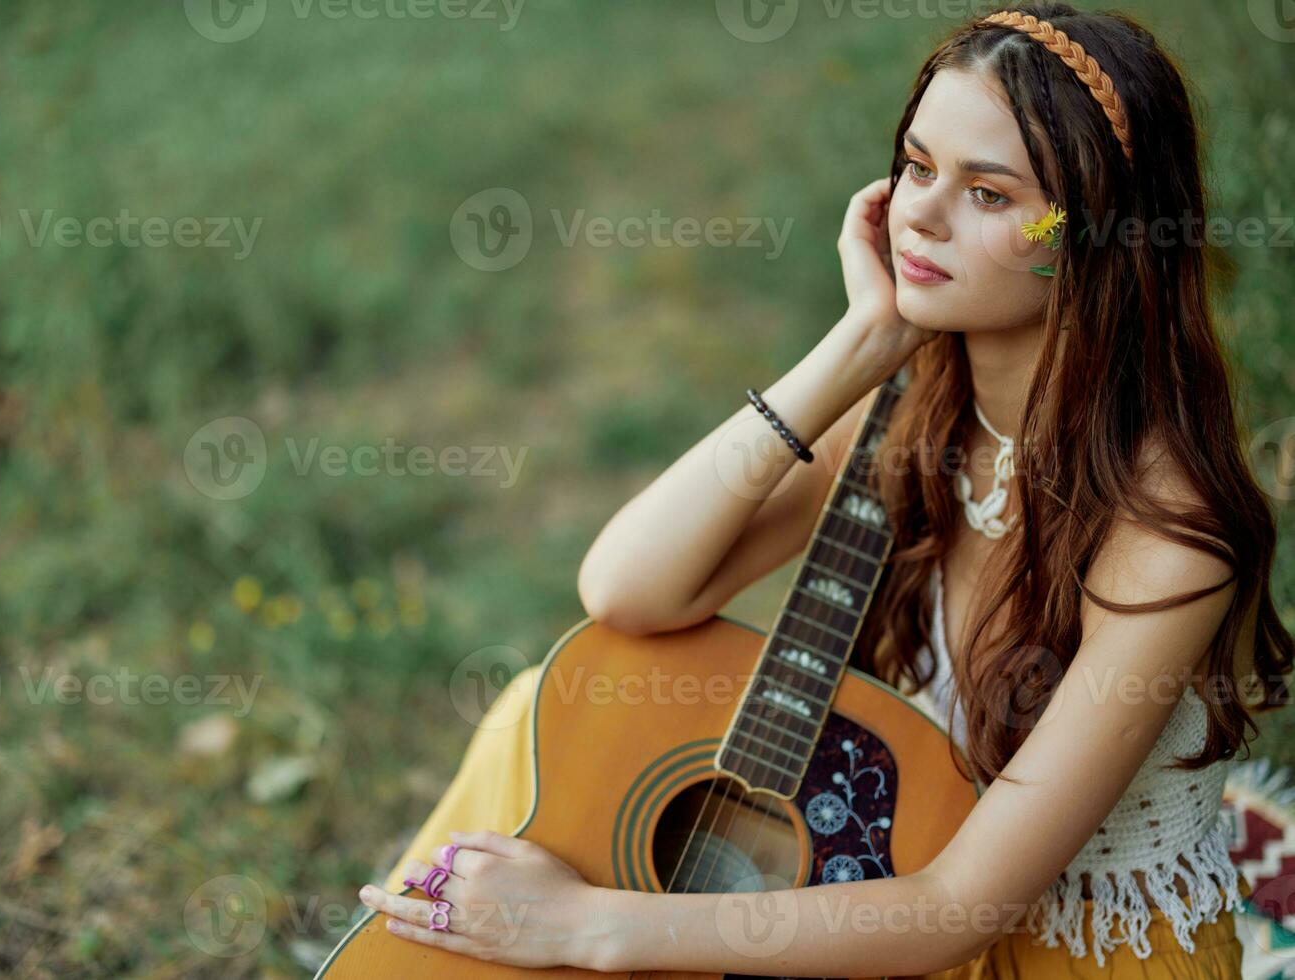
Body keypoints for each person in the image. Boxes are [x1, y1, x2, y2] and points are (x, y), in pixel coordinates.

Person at [355, 4, 1292, 975]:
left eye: (989, 193)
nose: (923, 212)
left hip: (1052, 945)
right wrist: (857, 348)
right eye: (919, 166)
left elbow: (959, 907)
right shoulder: (918, 409)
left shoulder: (1166, 534)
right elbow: (629, 590)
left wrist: (593, 924)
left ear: (1092, 236)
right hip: (899, 861)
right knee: (532, 710)